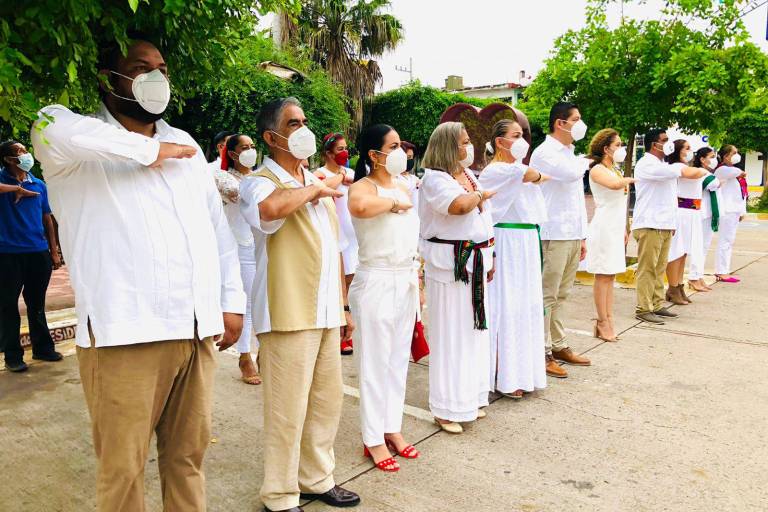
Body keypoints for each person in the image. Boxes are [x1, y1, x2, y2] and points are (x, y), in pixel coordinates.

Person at [31, 36, 246, 512]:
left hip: (195, 328)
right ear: (107, 79)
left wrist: (231, 302)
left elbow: (216, 232)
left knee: (188, 462)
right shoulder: (67, 141)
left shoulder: (185, 144)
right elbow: (53, 124)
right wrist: (149, 150)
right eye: (140, 68)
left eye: (162, 69)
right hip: (125, 334)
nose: (156, 78)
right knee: (123, 472)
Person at [239, 97, 360, 512]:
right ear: (271, 137)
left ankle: (316, 478)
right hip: (287, 311)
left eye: (305, 121)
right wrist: (314, 189)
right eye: (293, 123)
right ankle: (279, 493)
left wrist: (344, 307)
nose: (303, 129)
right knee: (286, 410)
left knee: (326, 403)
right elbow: (269, 211)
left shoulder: (313, 180)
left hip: (325, 310)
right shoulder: (259, 181)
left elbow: (335, 247)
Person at [347, 124, 420, 472]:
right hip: (376, 279)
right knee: (373, 364)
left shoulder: (404, 185)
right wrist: (392, 203)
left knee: (396, 362)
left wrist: (418, 280)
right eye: (392, 147)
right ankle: (373, 437)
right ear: (374, 154)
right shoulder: (362, 187)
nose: (399, 152)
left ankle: (392, 427)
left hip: (405, 278)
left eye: (400, 145)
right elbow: (360, 208)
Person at [419, 121, 495, 433]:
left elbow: (483, 218)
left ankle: (470, 398)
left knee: (473, 333)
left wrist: (490, 255)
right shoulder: (434, 179)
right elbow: (460, 206)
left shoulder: (467, 175)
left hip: (475, 261)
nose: (469, 146)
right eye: (463, 142)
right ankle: (445, 407)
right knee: (451, 335)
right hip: (449, 266)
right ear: (448, 146)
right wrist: (481, 195)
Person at [479, 119, 550, 399]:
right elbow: (535, 174)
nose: (522, 141)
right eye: (516, 136)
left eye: (523, 136)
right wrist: (540, 175)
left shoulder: (515, 170)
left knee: (525, 306)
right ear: (500, 142)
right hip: (507, 241)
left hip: (526, 241)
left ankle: (523, 371)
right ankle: (503, 372)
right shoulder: (498, 170)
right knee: (506, 305)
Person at [529, 102, 591, 378]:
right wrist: (588, 160)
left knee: (562, 295)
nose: (580, 124)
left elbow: (576, 199)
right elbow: (571, 173)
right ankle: (541, 352)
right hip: (552, 233)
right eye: (576, 119)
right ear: (560, 123)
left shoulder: (569, 153)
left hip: (571, 233)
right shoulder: (545, 153)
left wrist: (582, 235)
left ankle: (558, 344)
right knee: (547, 295)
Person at [0, 140, 63, 373]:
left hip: (37, 251)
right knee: (8, 305)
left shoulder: (38, 184)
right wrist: (15, 189)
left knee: (36, 303)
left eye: (26, 150)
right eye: (20, 152)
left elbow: (47, 218)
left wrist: (54, 251)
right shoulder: (3, 181)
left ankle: (43, 348)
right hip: (7, 253)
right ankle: (13, 356)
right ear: (8, 159)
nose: (26, 155)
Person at [632, 129, 706, 324]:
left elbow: (669, 197)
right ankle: (643, 308)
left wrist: (671, 223)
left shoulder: (662, 165)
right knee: (648, 269)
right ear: (654, 144)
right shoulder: (647, 164)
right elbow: (683, 171)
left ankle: (656, 304)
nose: (668, 144)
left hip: (663, 224)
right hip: (649, 224)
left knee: (659, 268)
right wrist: (703, 169)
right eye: (664, 140)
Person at [214, 133, 263, 385]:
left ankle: (264, 351)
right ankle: (245, 356)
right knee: (246, 304)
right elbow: (241, 196)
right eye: (245, 147)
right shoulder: (222, 177)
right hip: (240, 248)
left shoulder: (260, 176)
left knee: (264, 302)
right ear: (232, 154)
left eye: (253, 146)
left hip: (262, 246)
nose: (251, 151)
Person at [584, 129, 635, 342]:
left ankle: (609, 318)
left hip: (615, 227)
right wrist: (630, 179)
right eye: (618, 145)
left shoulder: (614, 169)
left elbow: (619, 201)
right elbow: (614, 186)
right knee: (603, 275)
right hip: (604, 227)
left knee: (611, 275)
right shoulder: (597, 169)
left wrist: (623, 228)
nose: (621, 149)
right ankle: (602, 321)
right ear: (606, 148)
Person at [315, 132, 358, 355]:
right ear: (328, 153)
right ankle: (341, 331)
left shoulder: (351, 173)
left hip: (355, 238)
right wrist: (341, 177)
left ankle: (349, 328)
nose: (345, 152)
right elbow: (320, 188)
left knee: (353, 286)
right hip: (336, 238)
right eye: (340, 149)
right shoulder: (320, 173)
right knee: (341, 286)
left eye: (346, 148)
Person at [664, 140, 707, 305]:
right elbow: (694, 174)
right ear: (677, 151)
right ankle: (672, 287)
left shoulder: (686, 166)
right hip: (682, 211)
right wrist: (703, 169)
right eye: (687, 148)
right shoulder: (677, 166)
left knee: (683, 253)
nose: (690, 151)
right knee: (676, 252)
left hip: (692, 213)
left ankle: (679, 285)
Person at [687, 147, 720, 291]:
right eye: (711, 157)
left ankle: (699, 275)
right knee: (698, 247)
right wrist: (719, 181)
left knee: (704, 247)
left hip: (707, 213)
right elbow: (712, 183)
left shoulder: (707, 172)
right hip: (700, 213)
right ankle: (693, 277)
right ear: (702, 159)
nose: (714, 160)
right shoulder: (699, 172)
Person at [713, 145, 747, 283]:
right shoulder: (722, 170)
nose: (737, 155)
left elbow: (741, 192)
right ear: (726, 156)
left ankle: (723, 269)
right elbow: (738, 172)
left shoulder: (732, 171)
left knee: (729, 241)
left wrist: (742, 211)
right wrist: (741, 172)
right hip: (727, 210)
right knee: (725, 241)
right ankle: (722, 271)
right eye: (734, 153)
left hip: (734, 210)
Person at [398, 140, 421, 209]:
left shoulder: (414, 178)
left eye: (411, 157)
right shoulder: (393, 178)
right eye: (408, 157)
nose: (410, 160)